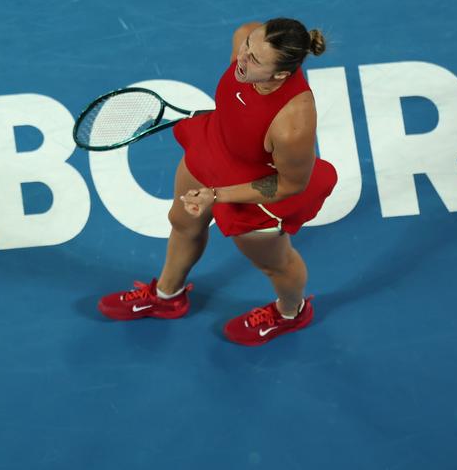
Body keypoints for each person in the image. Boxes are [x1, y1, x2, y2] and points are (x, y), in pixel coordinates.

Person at [97, 18, 338, 345]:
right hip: (213, 148)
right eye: (248, 46)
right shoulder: (246, 39)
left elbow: (288, 185)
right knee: (182, 222)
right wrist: (228, 119)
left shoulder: (292, 124)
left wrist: (218, 195)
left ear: (280, 74)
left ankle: (291, 313)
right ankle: (168, 297)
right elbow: (240, 94)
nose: (243, 58)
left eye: (254, 60)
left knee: (275, 264)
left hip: (257, 189)